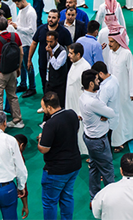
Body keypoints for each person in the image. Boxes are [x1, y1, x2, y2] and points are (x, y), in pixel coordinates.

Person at [37, 91, 82, 220]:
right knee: (67, 197)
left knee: (49, 202)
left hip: (56, 170)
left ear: (49, 107)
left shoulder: (50, 124)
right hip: (74, 165)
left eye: (44, 108)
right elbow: (75, 131)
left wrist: (40, 139)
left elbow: (44, 149)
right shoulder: (72, 114)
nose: (43, 110)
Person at [79, 69, 116, 201]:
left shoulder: (83, 97)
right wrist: (105, 114)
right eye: (96, 80)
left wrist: (103, 113)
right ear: (90, 84)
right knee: (108, 171)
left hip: (89, 138)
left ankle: (94, 197)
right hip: (99, 141)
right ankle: (111, 200)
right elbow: (111, 113)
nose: (98, 81)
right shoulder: (93, 102)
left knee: (94, 168)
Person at [107, 28, 133, 151]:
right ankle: (118, 140)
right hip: (113, 91)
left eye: (112, 41)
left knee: (126, 115)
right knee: (118, 116)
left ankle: (125, 137)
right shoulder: (110, 53)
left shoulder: (126, 54)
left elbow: (132, 74)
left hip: (125, 91)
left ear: (118, 41)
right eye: (109, 41)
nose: (109, 44)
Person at [0, 16, 24, 128]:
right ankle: (18, 121)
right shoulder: (15, 36)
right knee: (13, 96)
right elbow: (21, 53)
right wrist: (18, 67)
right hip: (13, 70)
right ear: (7, 25)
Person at [28, 9, 72, 94]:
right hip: (43, 63)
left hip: (58, 67)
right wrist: (29, 59)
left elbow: (69, 47)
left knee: (58, 87)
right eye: (49, 17)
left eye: (53, 18)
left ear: (58, 19)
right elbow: (34, 43)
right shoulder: (41, 29)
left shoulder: (64, 32)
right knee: (45, 85)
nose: (50, 19)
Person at [66, 42, 91, 155]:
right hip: (70, 102)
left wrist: (81, 111)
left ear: (78, 54)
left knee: (82, 129)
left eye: (71, 53)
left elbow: (87, 91)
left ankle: (87, 151)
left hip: (79, 105)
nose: (69, 55)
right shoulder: (74, 63)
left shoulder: (85, 67)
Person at [12, 0, 38, 97]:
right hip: (21, 42)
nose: (17, 6)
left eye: (17, 4)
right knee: (22, 65)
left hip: (28, 43)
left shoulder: (31, 12)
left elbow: (32, 30)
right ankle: (23, 84)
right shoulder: (22, 10)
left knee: (28, 65)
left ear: (23, 1)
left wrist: (17, 28)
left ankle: (32, 87)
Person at [91, 61, 120, 146]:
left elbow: (100, 106)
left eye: (96, 77)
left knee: (105, 144)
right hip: (113, 115)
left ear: (101, 74)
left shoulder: (106, 88)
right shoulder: (113, 78)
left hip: (106, 121)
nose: (96, 79)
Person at [45, 30, 69, 108]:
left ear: (56, 40)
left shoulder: (62, 52)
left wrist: (51, 54)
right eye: (47, 41)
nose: (48, 44)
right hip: (49, 81)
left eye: (51, 42)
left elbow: (56, 66)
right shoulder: (49, 48)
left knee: (58, 104)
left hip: (59, 83)